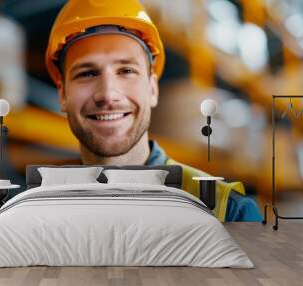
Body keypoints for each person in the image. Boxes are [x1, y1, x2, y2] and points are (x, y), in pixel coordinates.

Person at [44, 0, 262, 222]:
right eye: (87, 73)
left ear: (152, 89)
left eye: (126, 70)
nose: (108, 95)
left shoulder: (228, 213)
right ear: (63, 95)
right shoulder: (39, 216)